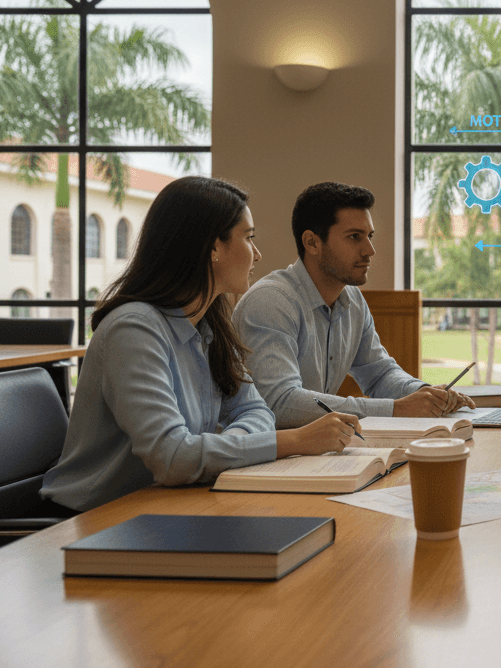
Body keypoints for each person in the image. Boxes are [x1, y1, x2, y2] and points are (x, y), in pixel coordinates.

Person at [40, 177, 361, 513]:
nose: (257, 253)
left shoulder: (209, 324)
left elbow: (255, 412)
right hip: (90, 521)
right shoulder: (133, 330)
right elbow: (173, 458)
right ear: (212, 247)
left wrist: (218, 447)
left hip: (164, 507)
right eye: (249, 238)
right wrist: (293, 440)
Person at [233, 182, 473, 428]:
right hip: (261, 458)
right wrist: (395, 409)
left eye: (369, 236)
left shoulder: (353, 300)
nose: (370, 250)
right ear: (312, 243)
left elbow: (380, 374)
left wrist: (427, 394)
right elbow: (279, 404)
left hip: (311, 453)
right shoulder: (271, 302)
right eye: (354, 237)